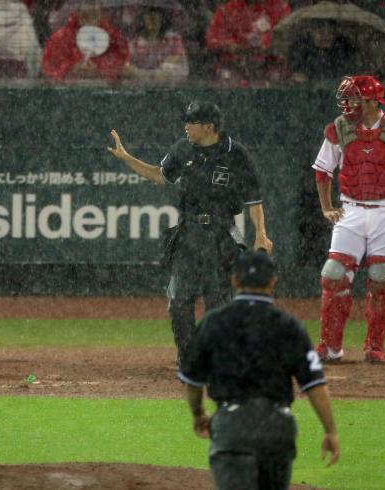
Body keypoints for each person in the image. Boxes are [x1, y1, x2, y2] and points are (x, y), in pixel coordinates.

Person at [107, 101, 274, 366]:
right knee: (178, 300)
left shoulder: (236, 154)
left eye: (191, 122)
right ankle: (189, 358)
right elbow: (160, 176)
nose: (186, 126)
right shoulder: (182, 149)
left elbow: (254, 201)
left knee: (218, 302)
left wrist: (260, 235)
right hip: (188, 232)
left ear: (208, 126)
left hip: (222, 233)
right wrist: (127, 158)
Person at [178, 250, 340, 490]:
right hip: (277, 429)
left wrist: (198, 413)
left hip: (232, 428)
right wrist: (330, 431)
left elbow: (192, 381)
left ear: (234, 280)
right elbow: (315, 386)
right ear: (273, 281)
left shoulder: (214, 322)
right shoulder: (288, 325)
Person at [312, 75, 385, 364]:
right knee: (333, 275)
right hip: (350, 208)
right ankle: (330, 346)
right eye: (348, 98)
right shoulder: (339, 128)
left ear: (373, 101)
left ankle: (374, 346)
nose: (349, 105)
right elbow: (322, 172)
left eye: (356, 99)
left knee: (382, 279)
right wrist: (327, 207)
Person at [205, 0, 291, 83]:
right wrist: (232, 46)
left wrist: (268, 45)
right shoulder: (228, 9)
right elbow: (213, 40)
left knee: (278, 76)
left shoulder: (280, 8)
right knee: (227, 76)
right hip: (235, 68)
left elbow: (287, 38)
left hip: (271, 67)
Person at [41, 3, 130, 82]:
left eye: (93, 3)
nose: (89, 9)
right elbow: (47, 75)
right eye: (85, 3)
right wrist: (70, 70)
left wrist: (101, 72)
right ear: (77, 7)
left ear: (101, 7)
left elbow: (124, 73)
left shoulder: (115, 40)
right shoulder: (59, 39)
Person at [128, 6, 189, 83]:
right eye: (147, 16)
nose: (152, 20)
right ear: (143, 19)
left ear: (162, 19)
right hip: (141, 86)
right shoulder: (134, 42)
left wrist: (140, 73)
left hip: (169, 86)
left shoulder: (173, 39)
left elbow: (168, 69)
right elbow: (127, 69)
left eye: (156, 16)